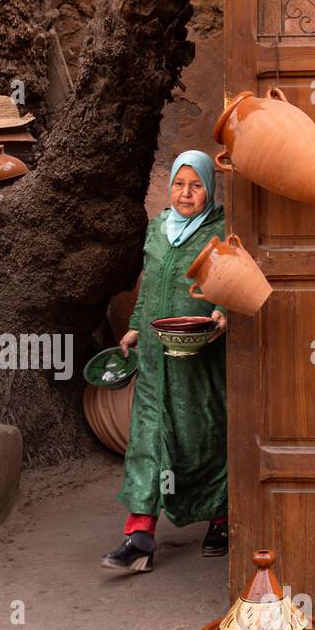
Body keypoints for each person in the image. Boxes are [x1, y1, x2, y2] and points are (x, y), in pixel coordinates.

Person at [102, 150, 228, 572]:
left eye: (196, 186)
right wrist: (136, 325)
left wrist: (222, 314)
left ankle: (220, 517)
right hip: (156, 353)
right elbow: (149, 282)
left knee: (201, 433)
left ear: (209, 188)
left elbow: (230, 285)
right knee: (147, 435)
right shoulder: (157, 227)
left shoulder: (221, 230)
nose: (186, 194)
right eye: (179, 184)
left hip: (199, 353)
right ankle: (139, 533)